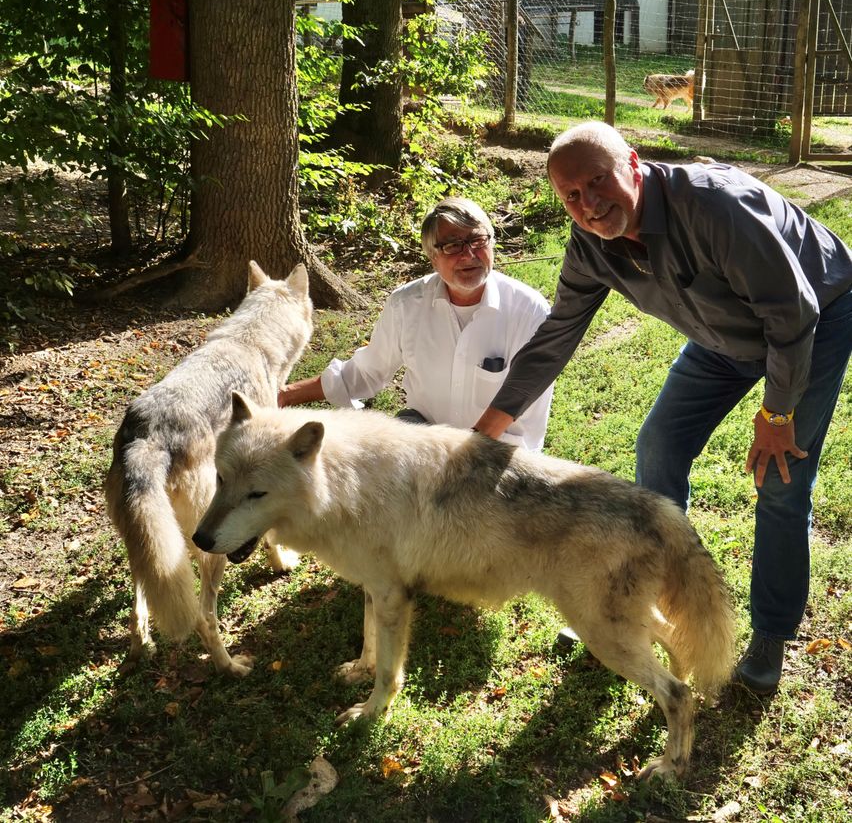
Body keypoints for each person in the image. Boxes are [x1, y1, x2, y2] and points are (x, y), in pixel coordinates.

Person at [474, 121, 852, 695]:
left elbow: (791, 315)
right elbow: (557, 336)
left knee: (782, 476)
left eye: (598, 182)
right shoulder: (592, 245)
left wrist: (777, 416)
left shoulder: (713, 206)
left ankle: (770, 634)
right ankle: (644, 605)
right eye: (571, 196)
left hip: (813, 322)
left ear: (632, 162)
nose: (590, 205)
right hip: (721, 335)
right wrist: (486, 432)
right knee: (659, 446)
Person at [279, 196, 554, 451]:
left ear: (492, 243)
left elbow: (527, 406)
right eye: (452, 245)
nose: (468, 255)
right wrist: (284, 396)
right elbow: (365, 373)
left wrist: (465, 460)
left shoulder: (528, 311)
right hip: (425, 443)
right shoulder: (406, 305)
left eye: (477, 240)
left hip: (501, 452)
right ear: (432, 257)